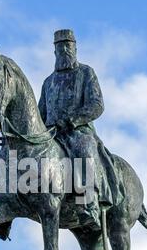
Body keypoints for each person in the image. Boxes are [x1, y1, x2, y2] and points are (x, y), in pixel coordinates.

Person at [38, 29, 123, 230]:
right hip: (52, 135)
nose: (64, 50)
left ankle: (89, 205)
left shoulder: (86, 73)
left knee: (84, 149)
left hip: (78, 131)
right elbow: (40, 113)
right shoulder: (48, 82)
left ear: (75, 48)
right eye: (60, 47)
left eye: (68, 45)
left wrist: (73, 120)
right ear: (54, 51)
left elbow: (97, 104)